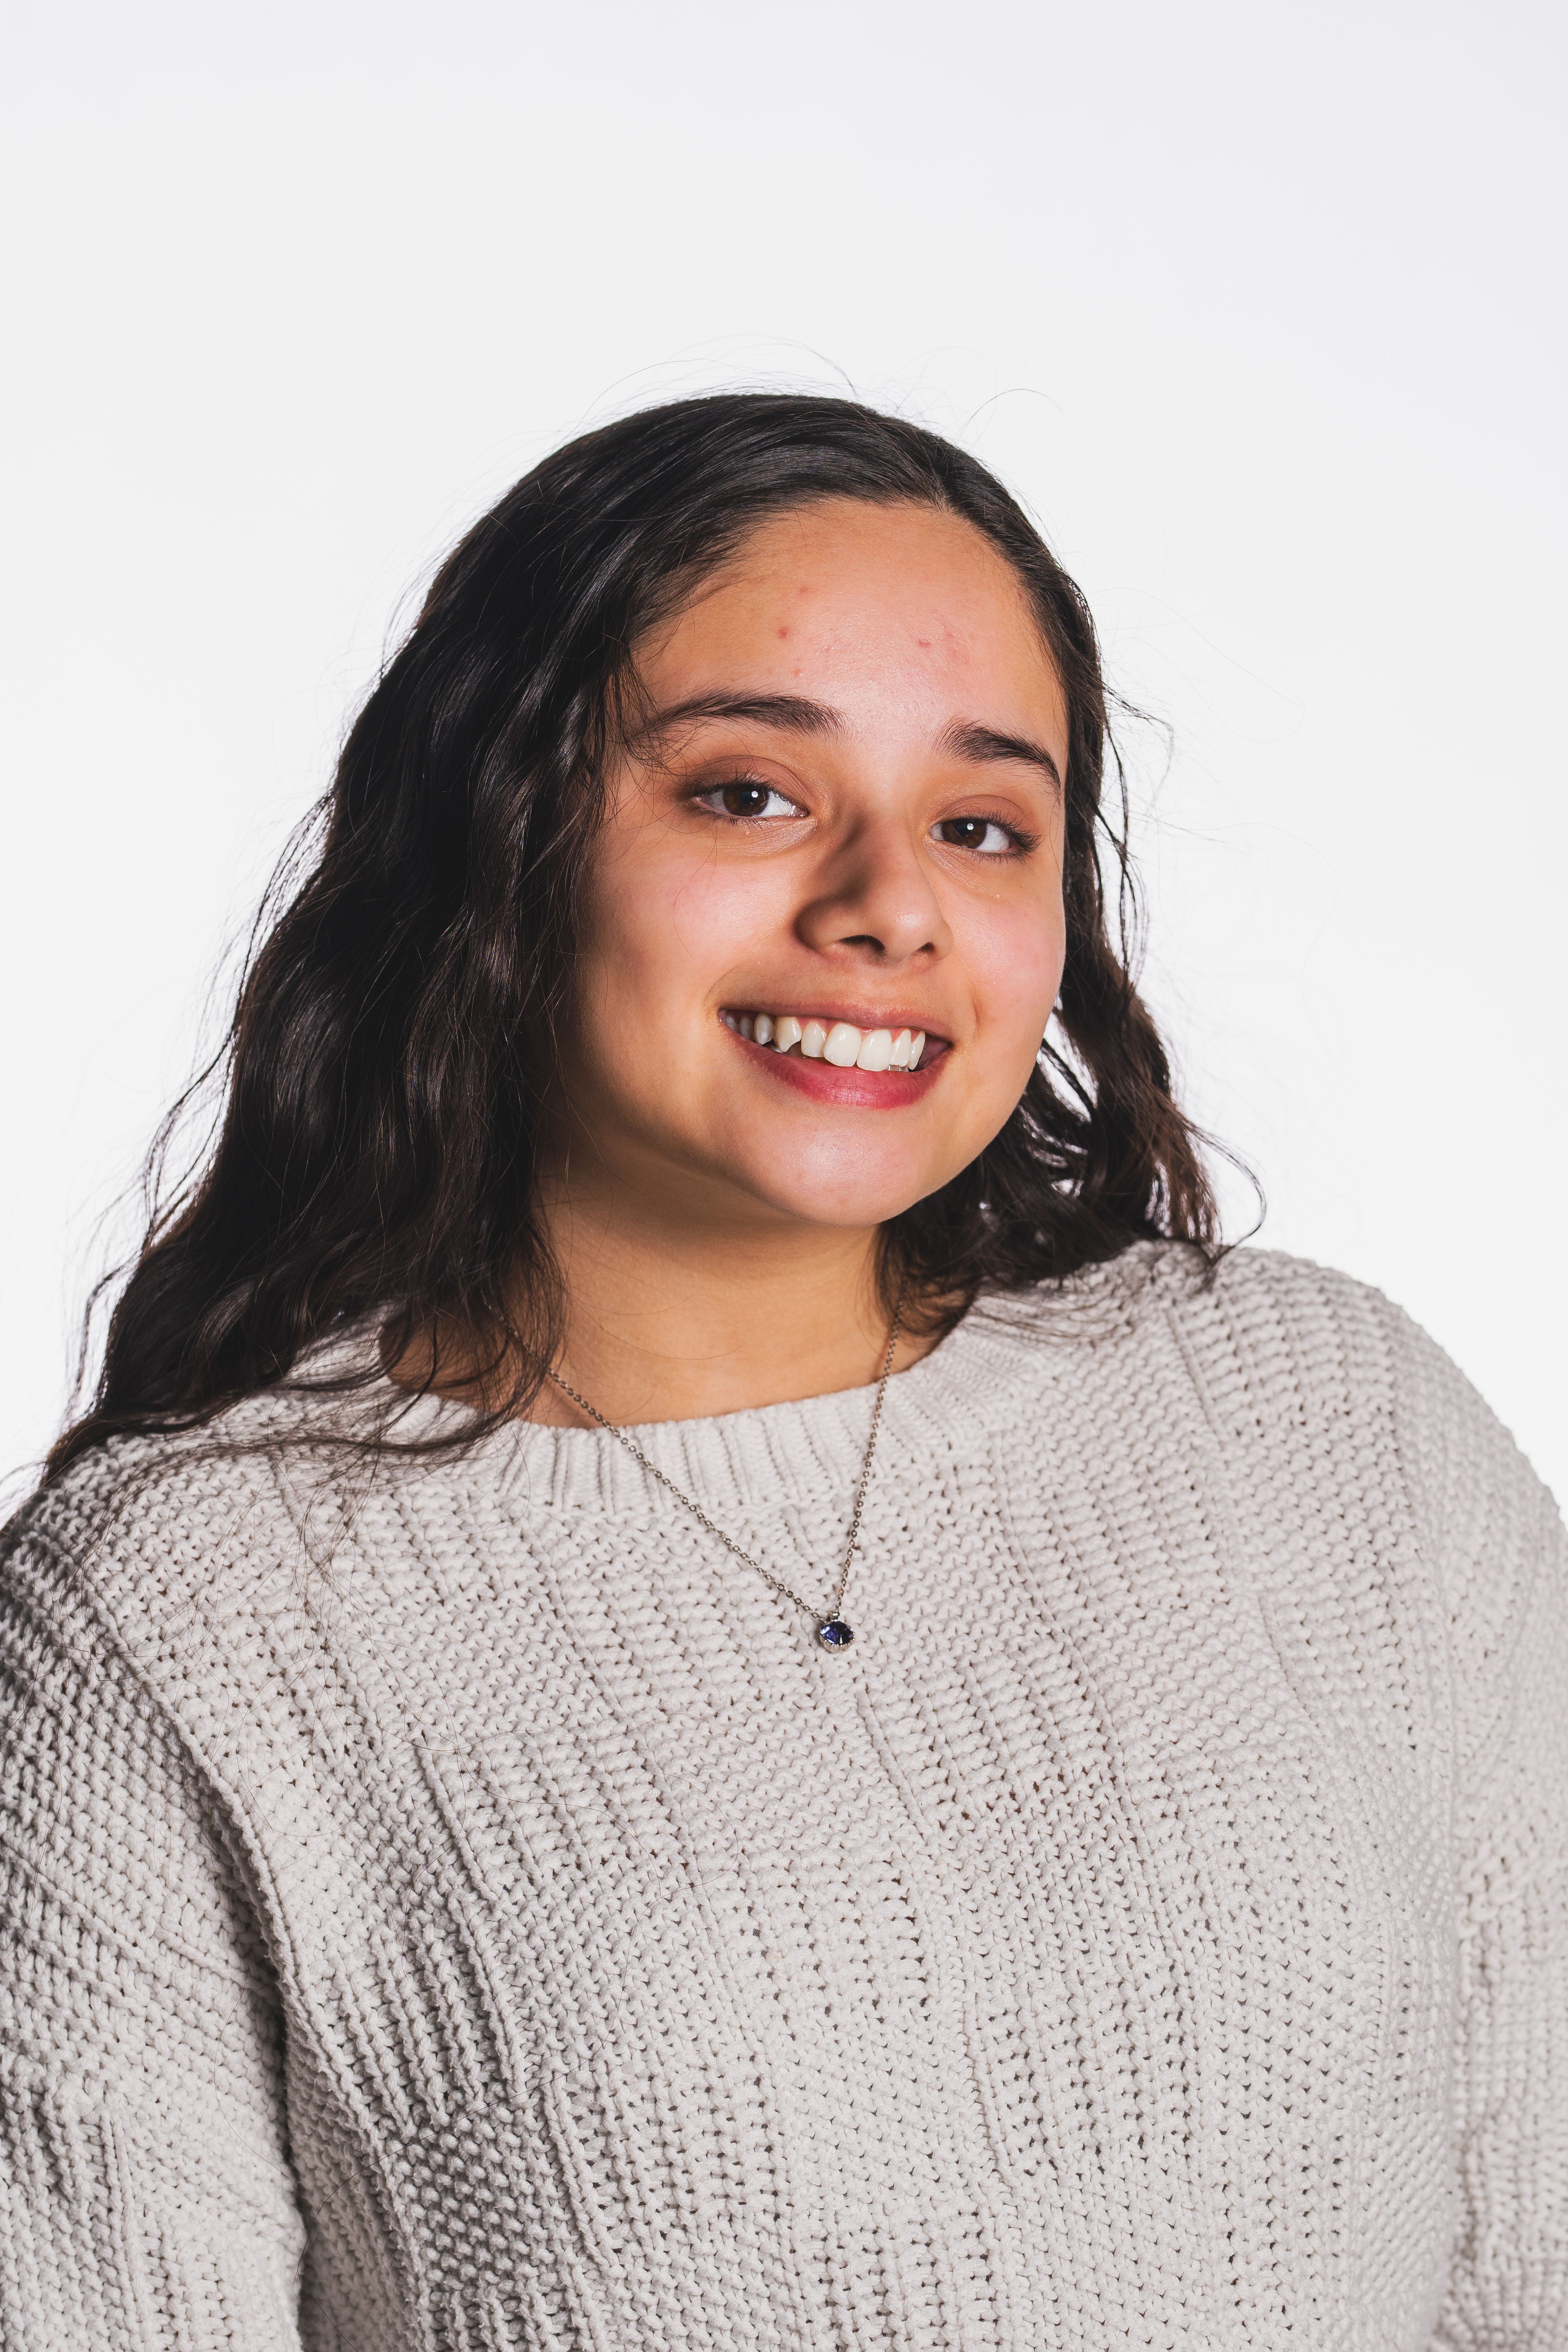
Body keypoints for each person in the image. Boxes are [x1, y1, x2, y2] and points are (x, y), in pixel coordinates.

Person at [1, 395, 1563, 2352]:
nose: (887, 904)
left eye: (979, 826)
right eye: (748, 792)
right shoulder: (183, 1618)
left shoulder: (1331, 1425)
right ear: (498, 837)